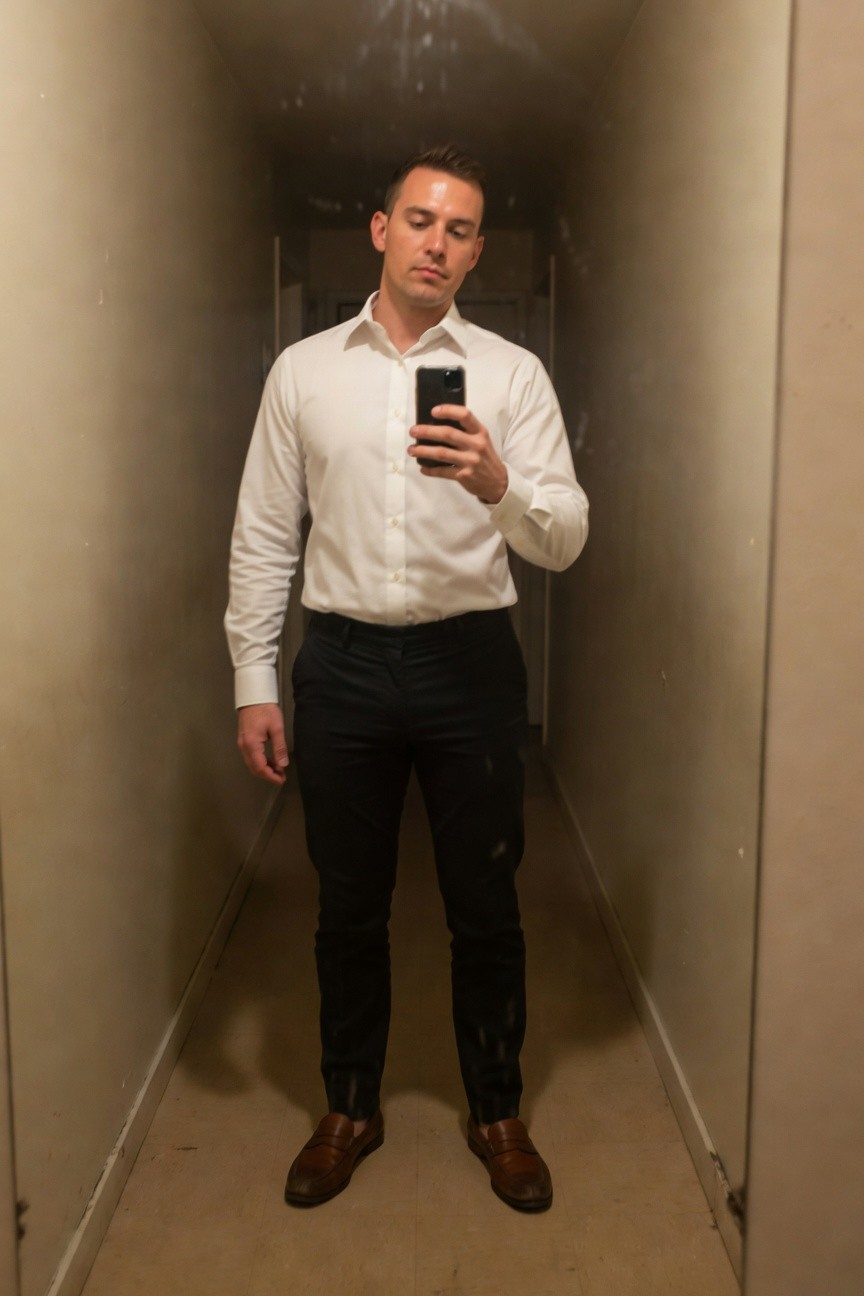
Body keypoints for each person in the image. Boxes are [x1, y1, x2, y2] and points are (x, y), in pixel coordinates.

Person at [225, 144, 588, 1212]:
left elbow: (565, 537)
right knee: (347, 905)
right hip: (341, 665)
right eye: (420, 221)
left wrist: (500, 483)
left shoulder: (512, 377)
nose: (438, 243)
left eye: (460, 229)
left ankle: (495, 1109)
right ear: (382, 231)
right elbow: (264, 533)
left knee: (486, 903)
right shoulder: (303, 372)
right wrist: (255, 677)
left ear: (476, 254)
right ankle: (351, 1105)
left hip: (470, 665)